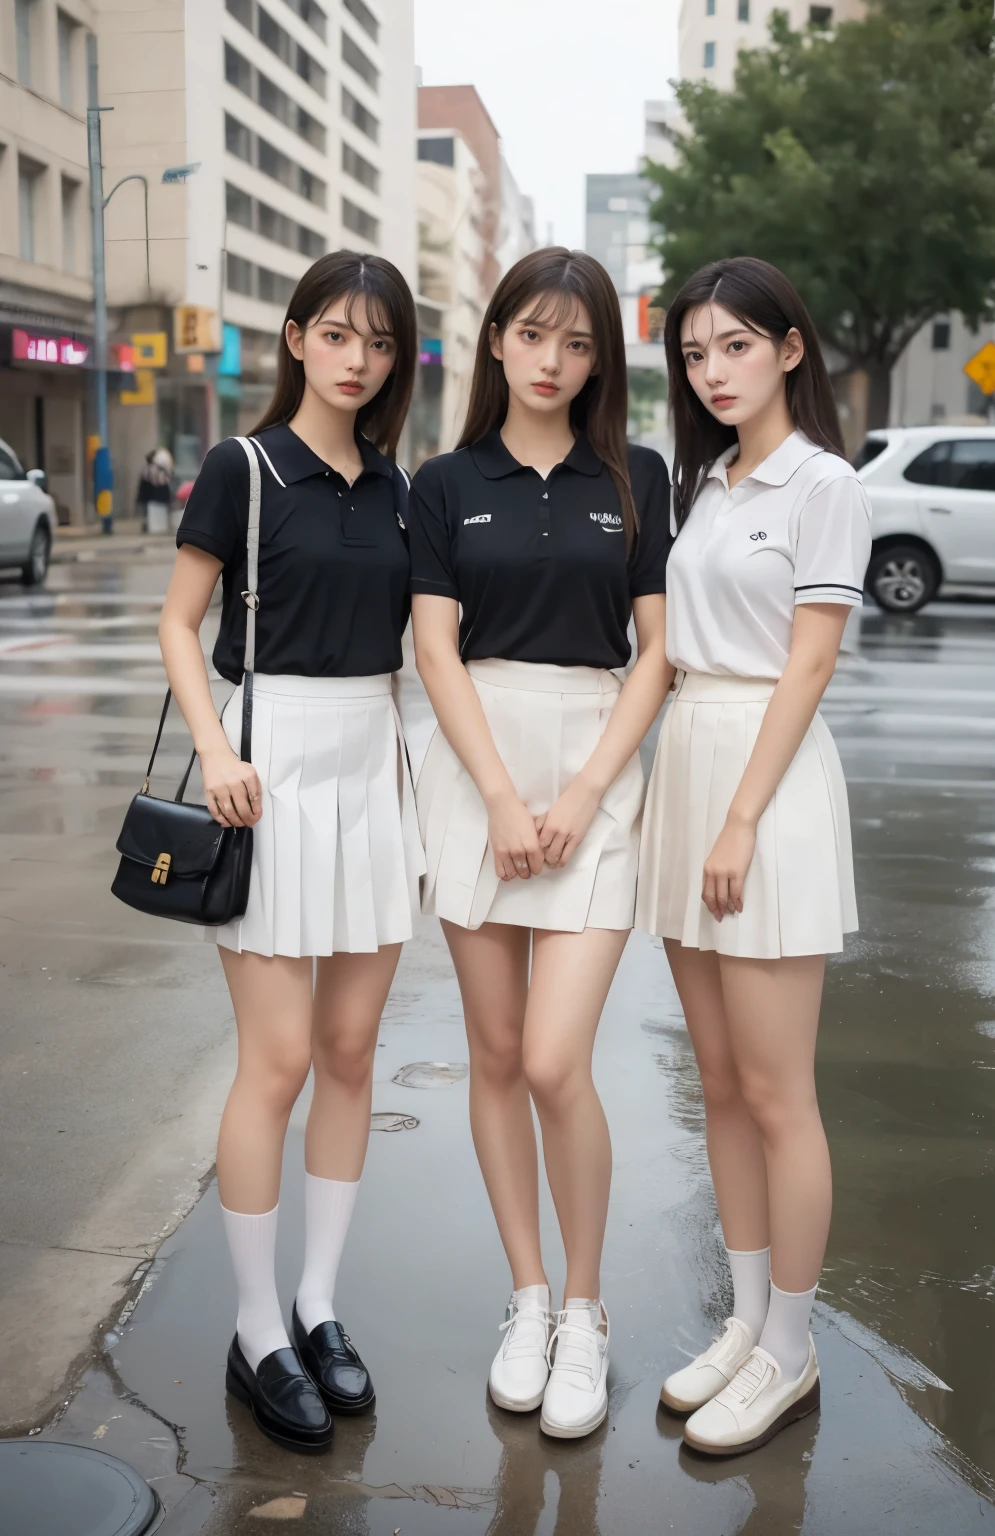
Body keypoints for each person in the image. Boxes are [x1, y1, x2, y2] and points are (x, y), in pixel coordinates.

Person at [158, 251, 422, 1453]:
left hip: (372, 766)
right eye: (339, 335)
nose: (359, 359)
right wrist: (215, 751)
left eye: (380, 342)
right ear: (298, 337)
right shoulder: (243, 467)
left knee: (352, 1049)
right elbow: (180, 619)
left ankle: (320, 1304)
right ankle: (257, 1323)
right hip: (269, 767)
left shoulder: (399, 486)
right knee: (275, 1063)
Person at [408, 248, 674, 1440]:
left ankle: (585, 1308)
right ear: (497, 341)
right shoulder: (443, 479)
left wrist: (579, 793)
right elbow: (433, 649)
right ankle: (526, 1300)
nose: (553, 362)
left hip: (597, 770)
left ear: (599, 359)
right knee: (500, 1056)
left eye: (578, 345)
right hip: (478, 773)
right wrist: (506, 798)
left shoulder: (638, 476)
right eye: (532, 336)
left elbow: (657, 651)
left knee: (559, 1062)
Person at [636, 256, 871, 1455]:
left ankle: (791, 1341)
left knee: (780, 1091)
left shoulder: (819, 482)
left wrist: (736, 819)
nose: (711, 370)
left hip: (763, 787)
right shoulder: (711, 481)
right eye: (693, 353)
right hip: (690, 758)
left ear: (789, 348)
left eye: (734, 345)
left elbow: (812, 662)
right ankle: (745, 1321)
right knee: (718, 1082)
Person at [136, 446, 173, 534]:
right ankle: (152, 525)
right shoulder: (154, 469)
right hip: (155, 492)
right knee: (155, 511)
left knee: (149, 512)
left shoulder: (149, 469)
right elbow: (161, 480)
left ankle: (149, 525)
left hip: (151, 493)